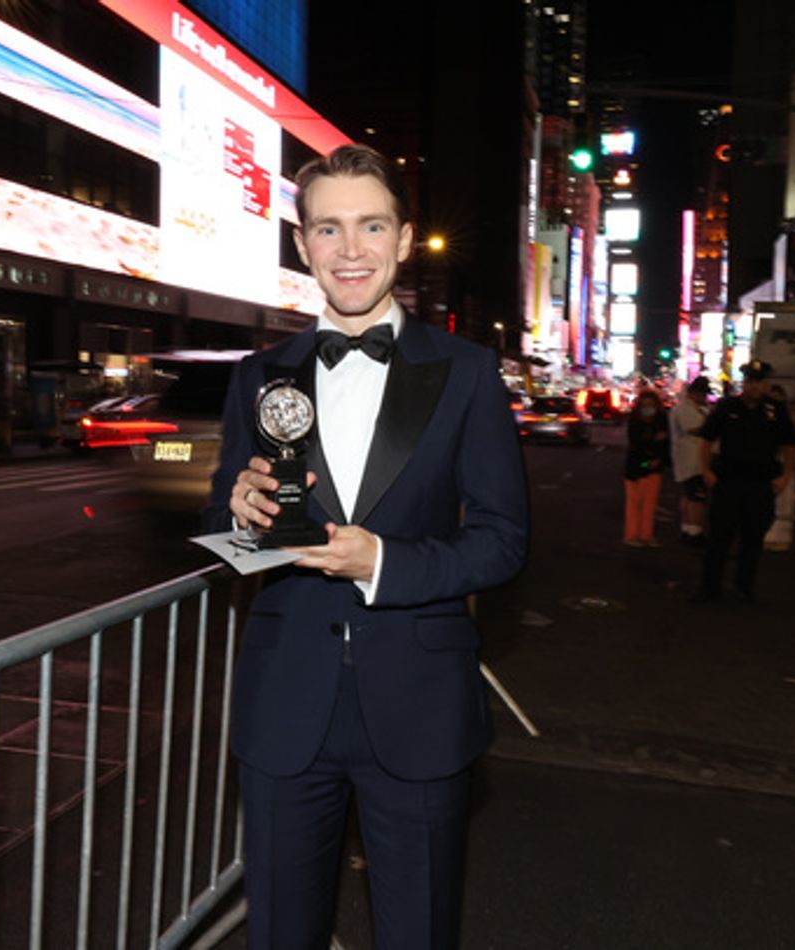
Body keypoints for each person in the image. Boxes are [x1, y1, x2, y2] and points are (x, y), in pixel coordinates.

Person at [204, 144, 529, 949]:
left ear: (406, 239)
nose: (350, 249)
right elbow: (225, 507)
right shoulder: (258, 374)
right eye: (329, 229)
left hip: (419, 703)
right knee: (280, 933)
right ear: (304, 243)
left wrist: (380, 562)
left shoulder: (467, 372)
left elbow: (501, 541)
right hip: (285, 703)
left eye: (371, 226)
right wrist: (241, 514)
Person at [690, 360, 795, 603]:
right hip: (728, 482)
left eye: (758, 382)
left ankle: (744, 587)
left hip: (761, 485)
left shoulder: (776, 411)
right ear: (744, 383)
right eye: (749, 381)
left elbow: (790, 444)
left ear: (767, 384)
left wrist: (786, 476)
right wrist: (705, 470)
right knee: (719, 538)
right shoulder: (727, 407)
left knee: (753, 539)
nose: (753, 386)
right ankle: (709, 588)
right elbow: (706, 439)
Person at [624, 389, 670, 546]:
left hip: (653, 468)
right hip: (637, 469)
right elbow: (636, 447)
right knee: (635, 502)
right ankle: (632, 535)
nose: (648, 408)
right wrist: (654, 441)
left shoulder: (661, 421)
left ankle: (646, 534)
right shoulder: (635, 422)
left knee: (650, 504)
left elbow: (664, 445)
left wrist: (658, 459)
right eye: (644, 405)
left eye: (651, 405)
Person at [669, 376, 711, 546]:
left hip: (691, 460)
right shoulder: (685, 409)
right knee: (696, 498)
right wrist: (713, 424)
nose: (705, 398)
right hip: (692, 460)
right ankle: (695, 532)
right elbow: (695, 429)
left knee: (689, 496)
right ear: (695, 393)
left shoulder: (692, 408)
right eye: (703, 394)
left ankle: (687, 528)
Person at [762, 384, 795, 552]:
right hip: (769, 461)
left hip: (783, 461)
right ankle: (769, 534)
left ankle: (781, 536)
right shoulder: (764, 415)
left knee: (784, 500)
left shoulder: (788, 417)